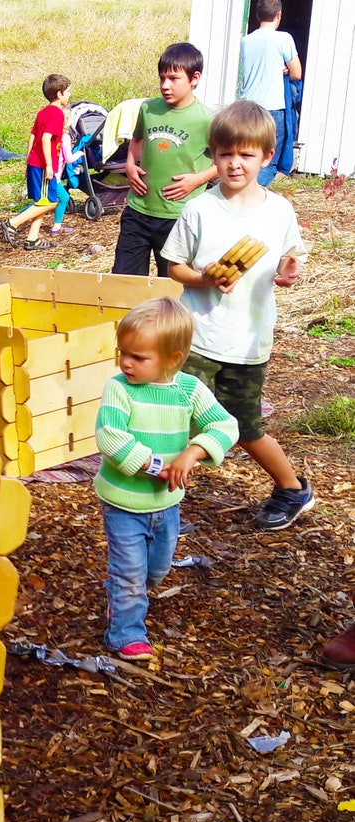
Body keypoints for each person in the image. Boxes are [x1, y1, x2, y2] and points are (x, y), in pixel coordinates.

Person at [161, 99, 310, 530]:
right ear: (213, 155)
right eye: (225, 154)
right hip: (198, 336)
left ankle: (292, 488)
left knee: (244, 427)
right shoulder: (200, 209)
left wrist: (289, 271)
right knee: (176, 422)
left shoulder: (278, 210)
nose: (235, 164)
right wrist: (204, 279)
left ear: (266, 156)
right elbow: (174, 267)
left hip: (247, 340)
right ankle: (163, 506)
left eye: (246, 154)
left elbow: (291, 257)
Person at [94, 297, 238, 661]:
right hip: (124, 503)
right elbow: (110, 436)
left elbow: (226, 425)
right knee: (130, 572)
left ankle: (124, 598)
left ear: (172, 358)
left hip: (167, 504)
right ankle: (126, 633)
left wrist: (193, 452)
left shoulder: (188, 390)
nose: (126, 362)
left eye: (138, 357)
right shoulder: (119, 389)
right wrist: (153, 464)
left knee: (156, 570)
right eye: (122, 353)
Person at [112, 43, 217, 277]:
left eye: (173, 79)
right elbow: (137, 139)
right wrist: (130, 164)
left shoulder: (207, 120)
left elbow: (222, 163)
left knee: (172, 284)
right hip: (138, 212)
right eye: (161, 78)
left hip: (178, 217)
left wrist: (197, 180)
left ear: (194, 78)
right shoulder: (148, 109)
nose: (165, 85)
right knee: (123, 281)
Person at [2, 74, 72, 251]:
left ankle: (32, 238)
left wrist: (28, 161)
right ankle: (12, 223)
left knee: (41, 201)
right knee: (51, 201)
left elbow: (32, 136)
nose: (69, 95)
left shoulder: (43, 112)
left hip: (34, 162)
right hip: (43, 165)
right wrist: (49, 165)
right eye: (67, 92)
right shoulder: (57, 113)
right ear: (59, 94)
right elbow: (45, 138)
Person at [239, 0, 301, 187]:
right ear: (279, 15)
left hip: (247, 108)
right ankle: (250, 192)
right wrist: (286, 70)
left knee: (247, 154)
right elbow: (297, 73)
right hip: (272, 108)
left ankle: (241, 189)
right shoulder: (284, 39)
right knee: (269, 162)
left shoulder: (246, 40)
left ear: (257, 15)